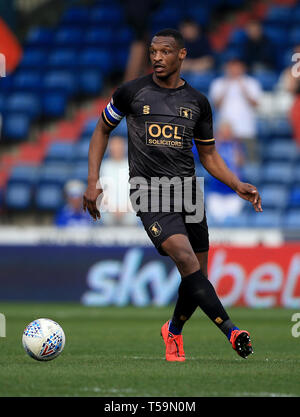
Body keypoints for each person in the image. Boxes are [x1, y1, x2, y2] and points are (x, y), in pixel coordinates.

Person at [83, 28, 262, 362]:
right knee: (185, 258)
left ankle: (174, 331)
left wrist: (237, 184)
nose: (156, 58)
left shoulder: (197, 102)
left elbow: (208, 156)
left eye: (164, 52)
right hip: (149, 192)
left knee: (196, 277)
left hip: (188, 192)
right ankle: (232, 331)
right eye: (153, 51)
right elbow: (101, 130)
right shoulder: (131, 92)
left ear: (181, 55)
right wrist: (93, 180)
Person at [209, 56, 262, 161]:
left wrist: (243, 89)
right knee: (223, 162)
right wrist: (226, 87)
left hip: (246, 129)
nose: (234, 70)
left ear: (243, 68)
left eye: (237, 67)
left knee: (251, 161)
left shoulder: (251, 83)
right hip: (225, 131)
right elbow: (216, 105)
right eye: (232, 67)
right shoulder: (218, 83)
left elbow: (256, 104)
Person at [206, 121, 246, 223]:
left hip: (233, 193)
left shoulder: (236, 146)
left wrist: (236, 145)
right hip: (216, 192)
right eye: (224, 131)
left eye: (228, 131)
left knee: (232, 222)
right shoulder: (214, 146)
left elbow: (240, 162)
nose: (226, 133)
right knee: (215, 222)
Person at [100, 135, 139, 225]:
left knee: (132, 219)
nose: (116, 149)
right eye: (114, 146)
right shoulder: (104, 167)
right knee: (105, 219)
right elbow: (102, 192)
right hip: (109, 211)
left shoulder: (132, 166)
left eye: (119, 146)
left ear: (124, 148)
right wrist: (113, 209)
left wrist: (125, 209)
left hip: (129, 211)